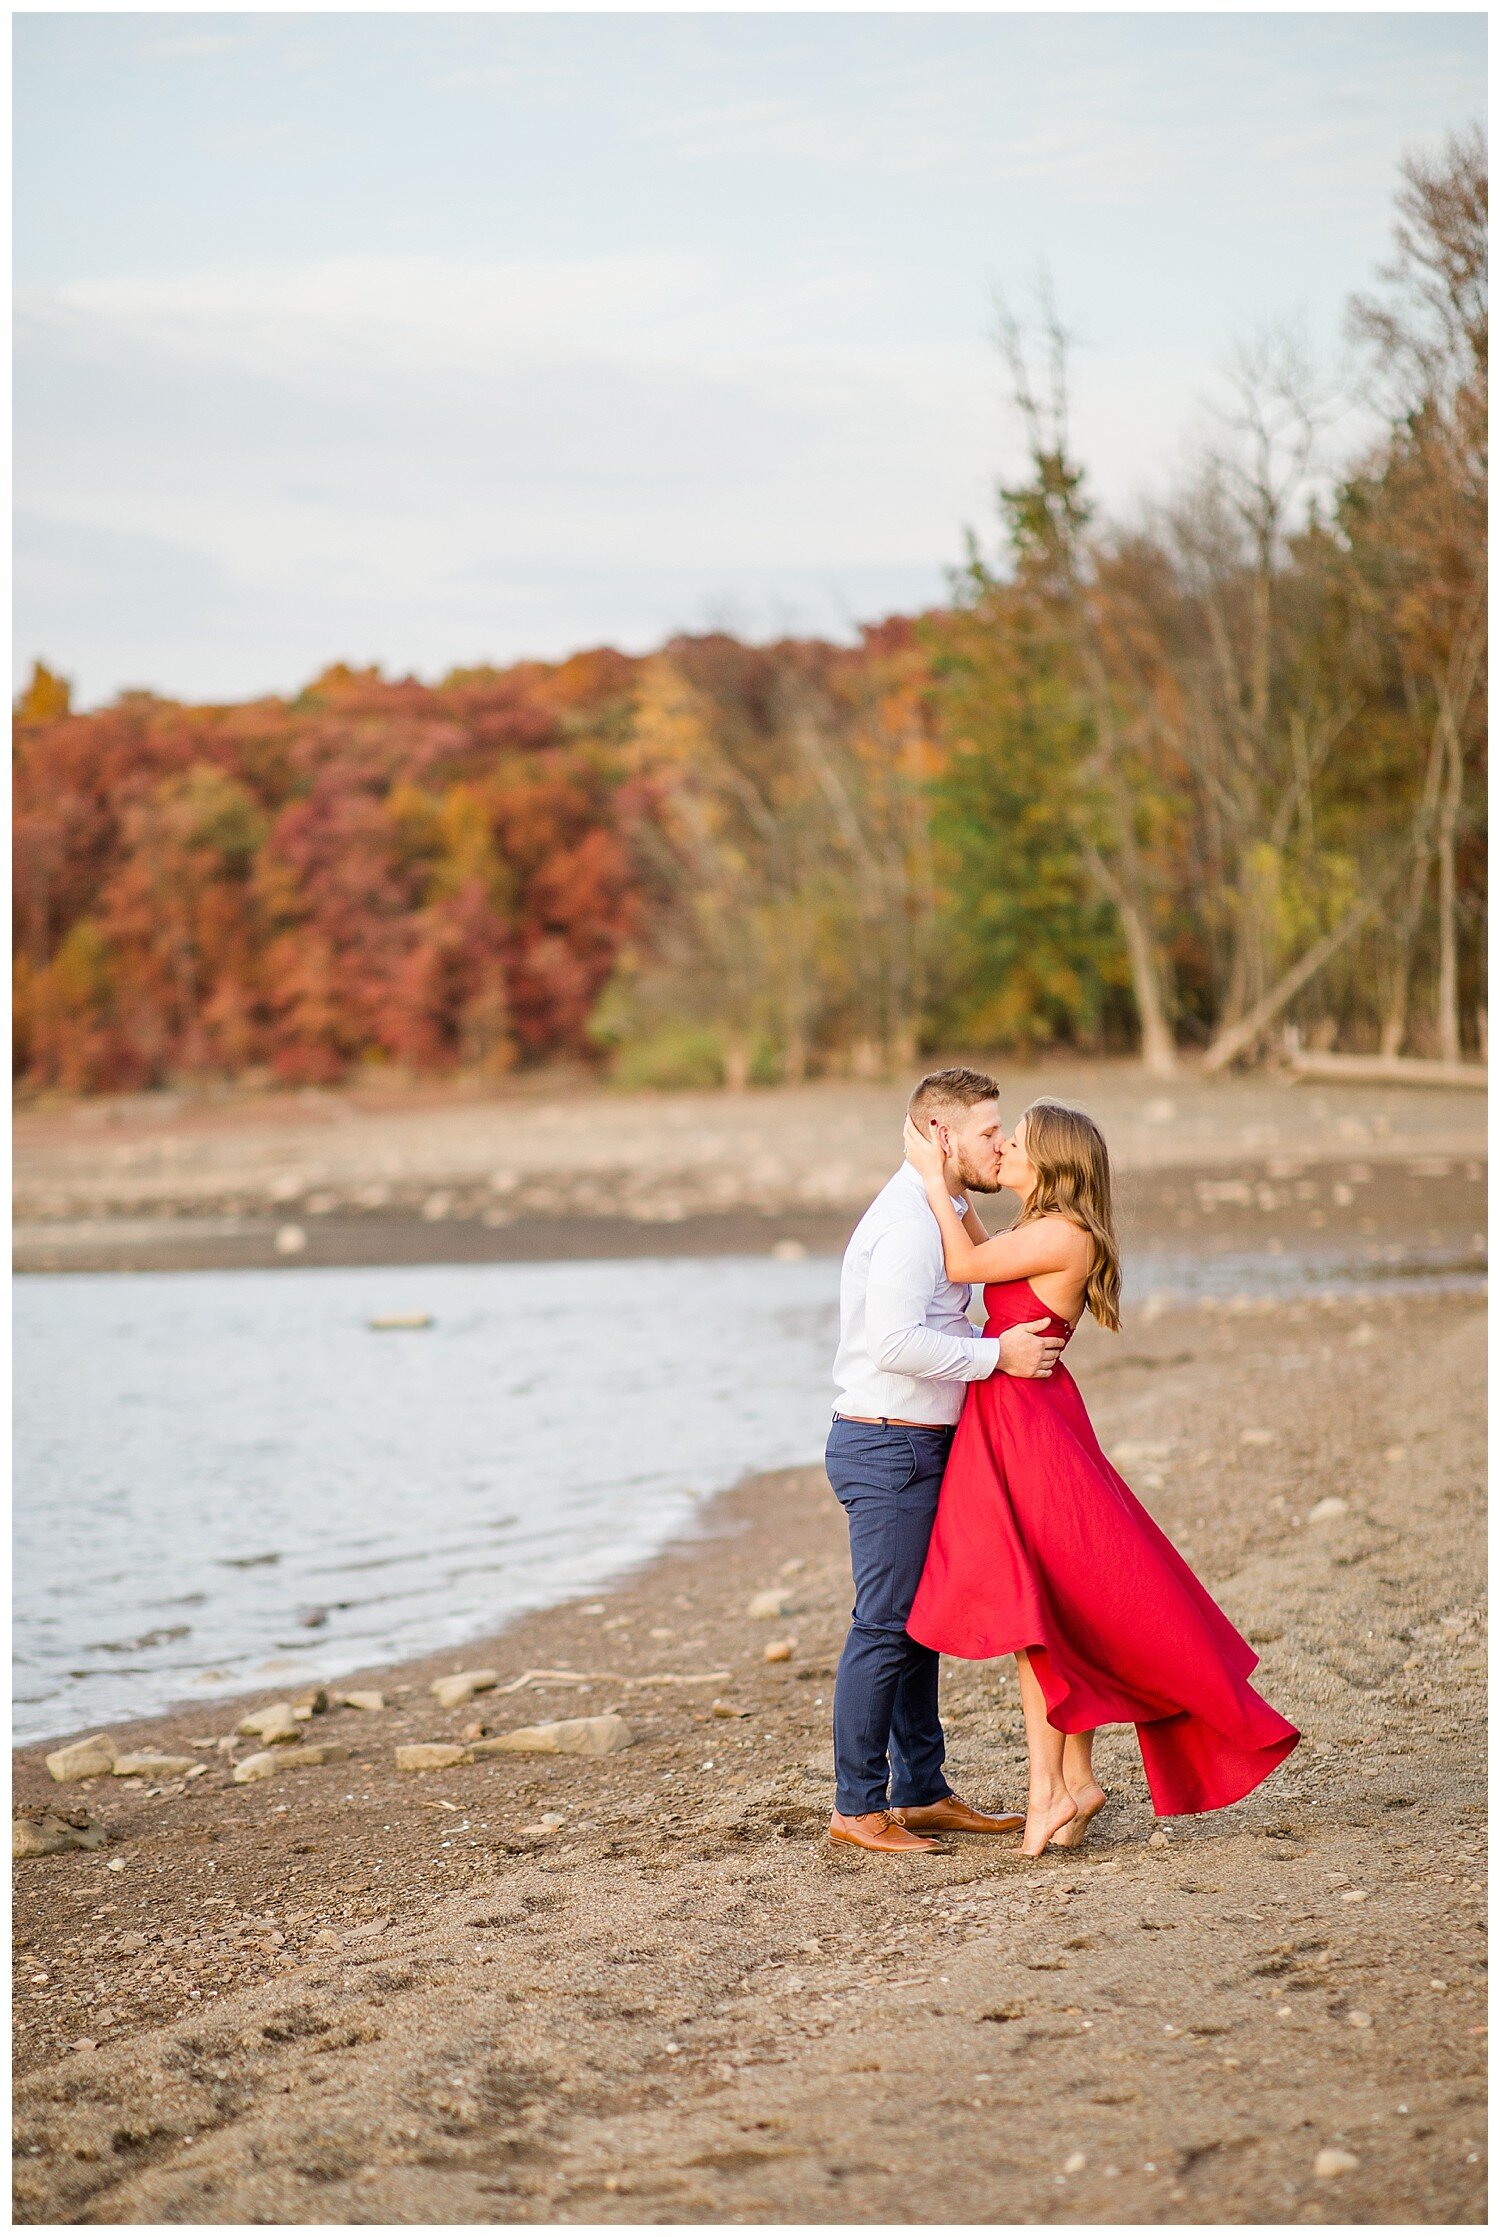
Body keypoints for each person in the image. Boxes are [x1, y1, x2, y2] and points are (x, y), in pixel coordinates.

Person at [903, 1097, 1300, 1857]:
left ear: (1050, 1160)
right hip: (1017, 1420)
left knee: (1040, 1618)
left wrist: (930, 1176)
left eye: (1014, 1142)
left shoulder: (1064, 1233)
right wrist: (954, 1190)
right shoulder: (1037, 1228)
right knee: (1044, 1617)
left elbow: (961, 1263)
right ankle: (1064, 1786)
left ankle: (1051, 1791)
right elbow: (983, 1249)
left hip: (1031, 1430)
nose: (1003, 1150)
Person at [826, 1068, 1067, 1855]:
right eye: (989, 1130)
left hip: (921, 1442)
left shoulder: (947, 1205)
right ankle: (858, 1807)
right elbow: (893, 1341)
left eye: (1002, 1131)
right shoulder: (906, 1222)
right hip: (888, 1443)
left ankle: (921, 1790)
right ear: (941, 1135)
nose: (1000, 1144)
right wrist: (998, 1354)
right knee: (886, 1625)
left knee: (919, 1625)